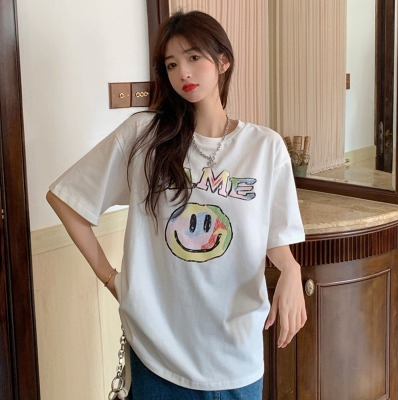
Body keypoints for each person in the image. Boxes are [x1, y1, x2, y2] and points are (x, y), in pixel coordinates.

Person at [47, 10, 307, 400]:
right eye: (171, 64)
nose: (182, 72)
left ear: (223, 61)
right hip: (158, 355)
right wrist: (112, 279)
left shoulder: (264, 147)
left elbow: (275, 235)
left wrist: (290, 269)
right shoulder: (144, 137)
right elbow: (67, 199)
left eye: (193, 57)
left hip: (235, 355)